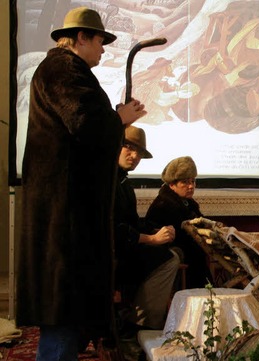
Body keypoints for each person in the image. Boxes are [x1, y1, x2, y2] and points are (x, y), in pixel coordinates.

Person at [16, 7, 147, 360]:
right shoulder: (62, 68)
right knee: (64, 313)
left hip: (66, 217)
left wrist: (114, 119)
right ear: (81, 38)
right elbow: (85, 124)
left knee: (68, 314)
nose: (103, 49)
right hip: (64, 222)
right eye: (99, 41)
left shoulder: (65, 70)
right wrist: (120, 118)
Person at [114, 126, 180, 331]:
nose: (134, 156)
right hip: (109, 254)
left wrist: (157, 232)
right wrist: (152, 239)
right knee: (169, 259)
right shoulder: (107, 181)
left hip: (124, 247)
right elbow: (113, 229)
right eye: (128, 147)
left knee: (172, 253)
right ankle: (140, 324)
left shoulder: (123, 181)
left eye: (139, 152)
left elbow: (132, 222)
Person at [145, 156, 214, 289]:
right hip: (173, 255)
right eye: (185, 182)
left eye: (193, 181)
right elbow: (183, 235)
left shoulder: (187, 202)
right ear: (172, 184)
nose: (191, 186)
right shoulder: (164, 203)